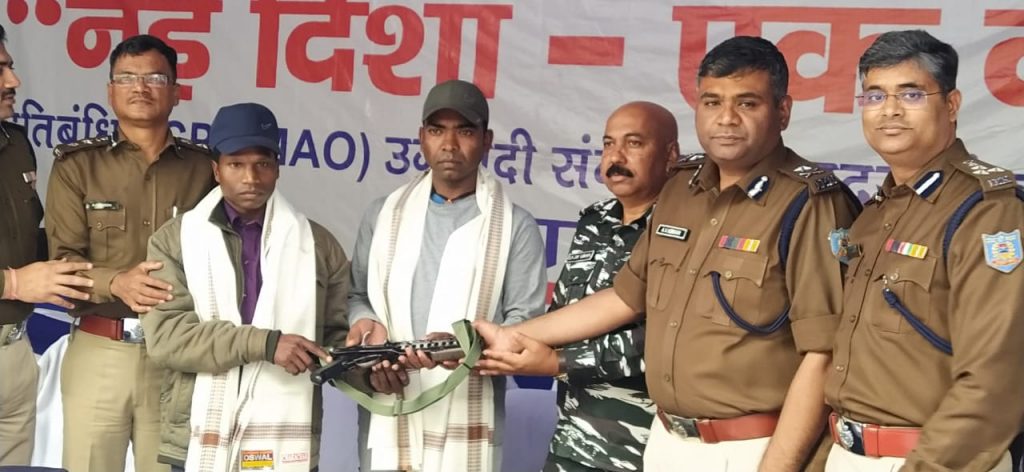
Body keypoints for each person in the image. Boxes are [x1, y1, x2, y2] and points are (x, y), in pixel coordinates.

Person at [476, 36, 861, 471]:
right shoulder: (681, 187)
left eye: (747, 103)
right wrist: (515, 335)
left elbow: (823, 355)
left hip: (751, 447)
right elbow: (623, 297)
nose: (726, 118)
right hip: (665, 443)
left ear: (783, 111)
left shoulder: (811, 203)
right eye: (712, 102)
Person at [823, 30, 1024, 472]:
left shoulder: (987, 212)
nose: (890, 110)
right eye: (875, 96)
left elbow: (995, 382)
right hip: (850, 454)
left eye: (911, 94)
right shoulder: (874, 213)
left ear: (951, 104)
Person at [346, 79, 547, 472]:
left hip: (468, 405)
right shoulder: (383, 215)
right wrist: (370, 338)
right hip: (390, 399)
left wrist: (466, 345)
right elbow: (358, 296)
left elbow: (525, 328)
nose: (450, 144)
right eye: (438, 130)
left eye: (465, 131)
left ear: (487, 141)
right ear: (422, 138)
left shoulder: (515, 227)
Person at [141, 102, 351, 471]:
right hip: (197, 435)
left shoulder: (317, 245)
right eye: (236, 164)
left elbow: (336, 340)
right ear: (216, 170)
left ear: (278, 168)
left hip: (286, 441)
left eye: (262, 164)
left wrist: (373, 367)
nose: (251, 177)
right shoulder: (175, 240)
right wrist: (266, 345)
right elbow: (169, 338)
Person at [45, 34, 215, 472]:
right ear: (110, 91)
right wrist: (116, 282)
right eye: (126, 78)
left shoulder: (206, 169)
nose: (140, 87)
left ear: (176, 92)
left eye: (154, 78)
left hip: (177, 353)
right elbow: (62, 262)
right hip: (100, 350)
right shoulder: (77, 165)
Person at [491, 101, 677, 471]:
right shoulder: (595, 221)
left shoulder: (682, 229)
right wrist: (476, 345)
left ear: (671, 155)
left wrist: (559, 362)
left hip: (641, 450)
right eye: (608, 144)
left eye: (634, 143)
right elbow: (564, 317)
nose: (616, 157)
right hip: (571, 441)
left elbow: (666, 338)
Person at [0, 22, 94, 466]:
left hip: (16, 356)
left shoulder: (17, 144)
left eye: (11, 67)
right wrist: (13, 283)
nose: (14, 81)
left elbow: (27, 237)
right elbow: (18, 274)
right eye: (0, 71)